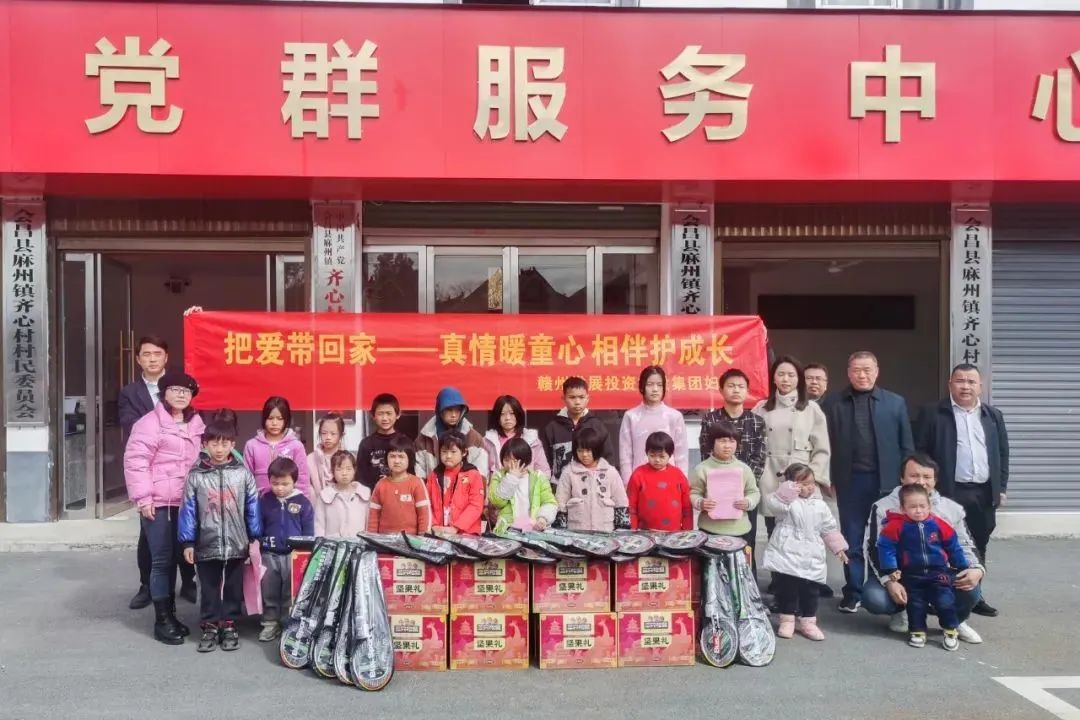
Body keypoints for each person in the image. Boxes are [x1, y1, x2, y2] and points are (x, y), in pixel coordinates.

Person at [821, 351, 914, 613]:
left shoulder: (895, 403)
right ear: (848, 373)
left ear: (877, 371)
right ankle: (853, 592)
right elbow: (825, 444)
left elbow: (906, 445)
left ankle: (882, 586)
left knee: (884, 538)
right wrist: (828, 476)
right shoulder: (833, 403)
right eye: (856, 370)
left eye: (867, 370)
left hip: (887, 483)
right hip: (850, 482)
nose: (862, 375)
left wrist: (907, 482)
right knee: (851, 540)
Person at [915, 363, 1009, 618]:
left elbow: (1002, 454)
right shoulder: (932, 413)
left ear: (980, 386)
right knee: (940, 544)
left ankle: (975, 596)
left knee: (978, 544)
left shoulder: (993, 415)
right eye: (960, 381)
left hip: (983, 493)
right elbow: (920, 452)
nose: (965, 386)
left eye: (971, 382)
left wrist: (1000, 487)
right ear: (950, 385)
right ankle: (938, 595)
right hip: (948, 491)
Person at [862, 453, 986, 645]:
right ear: (902, 478)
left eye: (927, 477)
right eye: (914, 475)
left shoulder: (950, 509)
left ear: (935, 480)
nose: (921, 481)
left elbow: (964, 543)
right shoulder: (883, 507)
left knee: (971, 588)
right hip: (900, 573)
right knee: (875, 598)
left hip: (939, 572)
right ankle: (902, 611)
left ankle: (955, 621)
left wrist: (976, 569)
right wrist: (889, 581)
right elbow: (874, 548)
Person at [124, 371, 205, 645]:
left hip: (187, 503)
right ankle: (162, 621)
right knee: (161, 560)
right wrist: (143, 498)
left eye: (186, 390)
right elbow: (136, 462)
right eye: (175, 389)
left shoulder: (196, 424)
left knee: (179, 557)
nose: (181, 394)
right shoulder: (148, 423)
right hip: (159, 503)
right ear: (164, 393)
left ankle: (171, 615)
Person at [117, 336, 196, 610]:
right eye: (146, 354)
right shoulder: (130, 393)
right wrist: (161, 423)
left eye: (157, 353)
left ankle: (189, 581)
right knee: (151, 539)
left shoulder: (181, 387)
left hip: (182, 479)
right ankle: (147, 586)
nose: (152, 359)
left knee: (187, 532)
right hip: (152, 476)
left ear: (166, 357)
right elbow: (130, 424)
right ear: (138, 359)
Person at [177, 419, 261, 653]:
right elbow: (188, 509)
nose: (219, 449)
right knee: (209, 586)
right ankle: (210, 624)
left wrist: (254, 536)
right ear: (205, 444)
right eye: (214, 443)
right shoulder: (196, 475)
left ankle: (230, 623)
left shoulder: (243, 474)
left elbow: (252, 506)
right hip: (206, 542)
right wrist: (188, 542)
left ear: (233, 444)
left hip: (237, 541)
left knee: (234, 586)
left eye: (225, 444)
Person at [754, 356, 832, 597]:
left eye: (791, 375)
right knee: (776, 535)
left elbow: (822, 448)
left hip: (802, 481)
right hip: (771, 478)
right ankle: (781, 588)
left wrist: (812, 478)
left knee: (805, 534)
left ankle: (805, 587)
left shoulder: (811, 409)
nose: (785, 379)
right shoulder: (761, 408)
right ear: (773, 378)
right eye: (780, 374)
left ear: (798, 379)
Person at [876, 485, 969, 651]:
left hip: (938, 572)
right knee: (915, 604)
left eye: (922, 506)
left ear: (929, 506)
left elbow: (953, 546)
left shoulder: (940, 524)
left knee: (945, 601)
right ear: (903, 508)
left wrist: (962, 565)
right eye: (912, 507)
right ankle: (917, 631)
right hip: (911, 574)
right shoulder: (895, 526)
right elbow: (886, 548)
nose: (918, 511)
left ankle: (950, 630)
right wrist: (890, 569)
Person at [762, 464, 848, 641]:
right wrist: (786, 491)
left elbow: (829, 528)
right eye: (804, 484)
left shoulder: (820, 505)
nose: (809, 487)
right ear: (792, 484)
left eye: (812, 483)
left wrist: (838, 548)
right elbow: (773, 504)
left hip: (812, 555)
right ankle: (787, 620)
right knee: (787, 589)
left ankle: (808, 621)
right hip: (787, 552)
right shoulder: (786, 503)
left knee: (810, 591)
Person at [700, 369, 767, 564]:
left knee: (747, 541)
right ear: (721, 390)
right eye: (731, 386)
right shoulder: (710, 420)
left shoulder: (756, 421)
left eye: (741, 386)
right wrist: (718, 486)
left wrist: (743, 487)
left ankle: (747, 579)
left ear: (747, 391)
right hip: (716, 491)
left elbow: (759, 457)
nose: (736, 390)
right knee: (714, 540)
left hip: (744, 493)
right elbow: (706, 453)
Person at [260, 456, 315, 642]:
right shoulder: (265, 500)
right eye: (275, 483)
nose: (280, 488)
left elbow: (308, 531)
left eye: (285, 484)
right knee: (269, 589)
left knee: (290, 591)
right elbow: (259, 525)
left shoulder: (303, 502)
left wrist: (307, 552)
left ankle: (287, 623)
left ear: (294, 481)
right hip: (269, 553)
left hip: (294, 554)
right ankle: (269, 623)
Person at [619, 365, 689, 483]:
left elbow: (681, 455)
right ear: (642, 387)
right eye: (650, 384)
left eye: (659, 385)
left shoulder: (674, 416)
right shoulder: (631, 416)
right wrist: (628, 484)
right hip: (640, 481)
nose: (655, 389)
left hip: (669, 481)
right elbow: (625, 455)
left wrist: (682, 483)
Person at [541, 376, 617, 483]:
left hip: (592, 485)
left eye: (581, 397)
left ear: (588, 398)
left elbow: (608, 459)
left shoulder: (597, 426)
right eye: (572, 397)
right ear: (563, 398)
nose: (577, 402)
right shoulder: (552, 427)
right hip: (559, 486)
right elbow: (545, 462)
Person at [554, 426, 629, 532]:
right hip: (576, 532)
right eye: (580, 451)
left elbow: (621, 501)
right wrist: (560, 531)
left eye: (588, 451)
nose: (584, 455)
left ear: (597, 449)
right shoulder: (568, 472)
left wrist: (622, 530)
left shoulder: (610, 472)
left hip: (605, 531)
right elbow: (560, 502)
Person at [690, 425, 760, 537]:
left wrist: (748, 502)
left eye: (732, 441)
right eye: (722, 441)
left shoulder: (744, 469)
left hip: (740, 529)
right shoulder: (702, 469)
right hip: (709, 529)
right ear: (712, 443)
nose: (727, 446)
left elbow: (753, 492)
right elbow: (694, 493)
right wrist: (700, 502)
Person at [488, 437, 559, 535]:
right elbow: (497, 502)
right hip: (507, 531)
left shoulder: (538, 477)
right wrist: (511, 478)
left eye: (515, 461)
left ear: (526, 460)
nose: (510, 464)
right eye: (506, 460)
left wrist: (543, 518)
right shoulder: (499, 476)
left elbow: (549, 502)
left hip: (534, 531)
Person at [415, 387, 488, 482]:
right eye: (449, 410)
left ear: (462, 411)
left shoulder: (474, 438)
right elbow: (419, 475)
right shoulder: (424, 438)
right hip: (432, 489)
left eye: (457, 410)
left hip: (466, 490)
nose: (453, 415)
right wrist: (427, 491)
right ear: (439, 410)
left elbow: (480, 474)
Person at [626, 431, 694, 532]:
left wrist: (687, 530)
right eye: (652, 455)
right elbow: (631, 505)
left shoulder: (678, 475)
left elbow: (687, 506)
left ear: (670, 455)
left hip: (674, 533)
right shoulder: (638, 474)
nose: (657, 460)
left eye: (662, 456)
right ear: (646, 453)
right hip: (644, 532)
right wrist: (633, 529)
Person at [243, 396, 311, 496]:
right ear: (264, 418)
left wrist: (302, 501)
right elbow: (246, 479)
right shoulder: (252, 446)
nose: (274, 423)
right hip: (260, 501)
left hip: (288, 502)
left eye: (280, 419)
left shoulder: (296, 446)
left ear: (286, 420)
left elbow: (302, 479)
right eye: (270, 418)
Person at [425, 431, 485, 536]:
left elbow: (476, 505)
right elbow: (426, 502)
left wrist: (456, 527)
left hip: (467, 533)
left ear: (464, 452)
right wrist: (433, 525)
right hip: (438, 530)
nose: (448, 456)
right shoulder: (434, 475)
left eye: (453, 452)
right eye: (444, 451)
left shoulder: (473, 474)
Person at [368, 435, 430, 534]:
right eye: (392, 456)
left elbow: (424, 515)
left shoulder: (417, 483)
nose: (396, 461)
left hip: (410, 541)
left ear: (410, 458)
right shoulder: (380, 484)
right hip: (383, 541)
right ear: (386, 458)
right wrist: (371, 538)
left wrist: (421, 539)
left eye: (401, 456)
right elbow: (373, 516)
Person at [482, 394, 550, 477]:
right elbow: (482, 473)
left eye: (512, 413)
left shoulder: (532, 440)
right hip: (498, 484)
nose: (507, 418)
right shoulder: (487, 441)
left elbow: (544, 472)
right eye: (502, 414)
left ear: (518, 414)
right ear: (497, 417)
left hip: (527, 484)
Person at [357, 393, 413, 492]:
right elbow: (361, 477)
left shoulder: (406, 442)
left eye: (389, 413)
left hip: (400, 494)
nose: (385, 418)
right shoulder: (366, 444)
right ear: (373, 415)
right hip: (372, 496)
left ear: (398, 414)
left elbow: (411, 473)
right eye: (380, 414)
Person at [314, 450, 369, 539]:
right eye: (339, 469)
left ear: (354, 470)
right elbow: (319, 526)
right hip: (332, 544)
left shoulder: (364, 495)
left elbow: (368, 525)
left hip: (359, 544)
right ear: (333, 471)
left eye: (348, 469)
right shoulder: (325, 496)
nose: (344, 473)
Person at [308, 412, 345, 499]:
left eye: (333, 433)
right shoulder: (310, 459)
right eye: (324, 433)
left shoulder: (347, 459)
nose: (328, 437)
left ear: (341, 435)